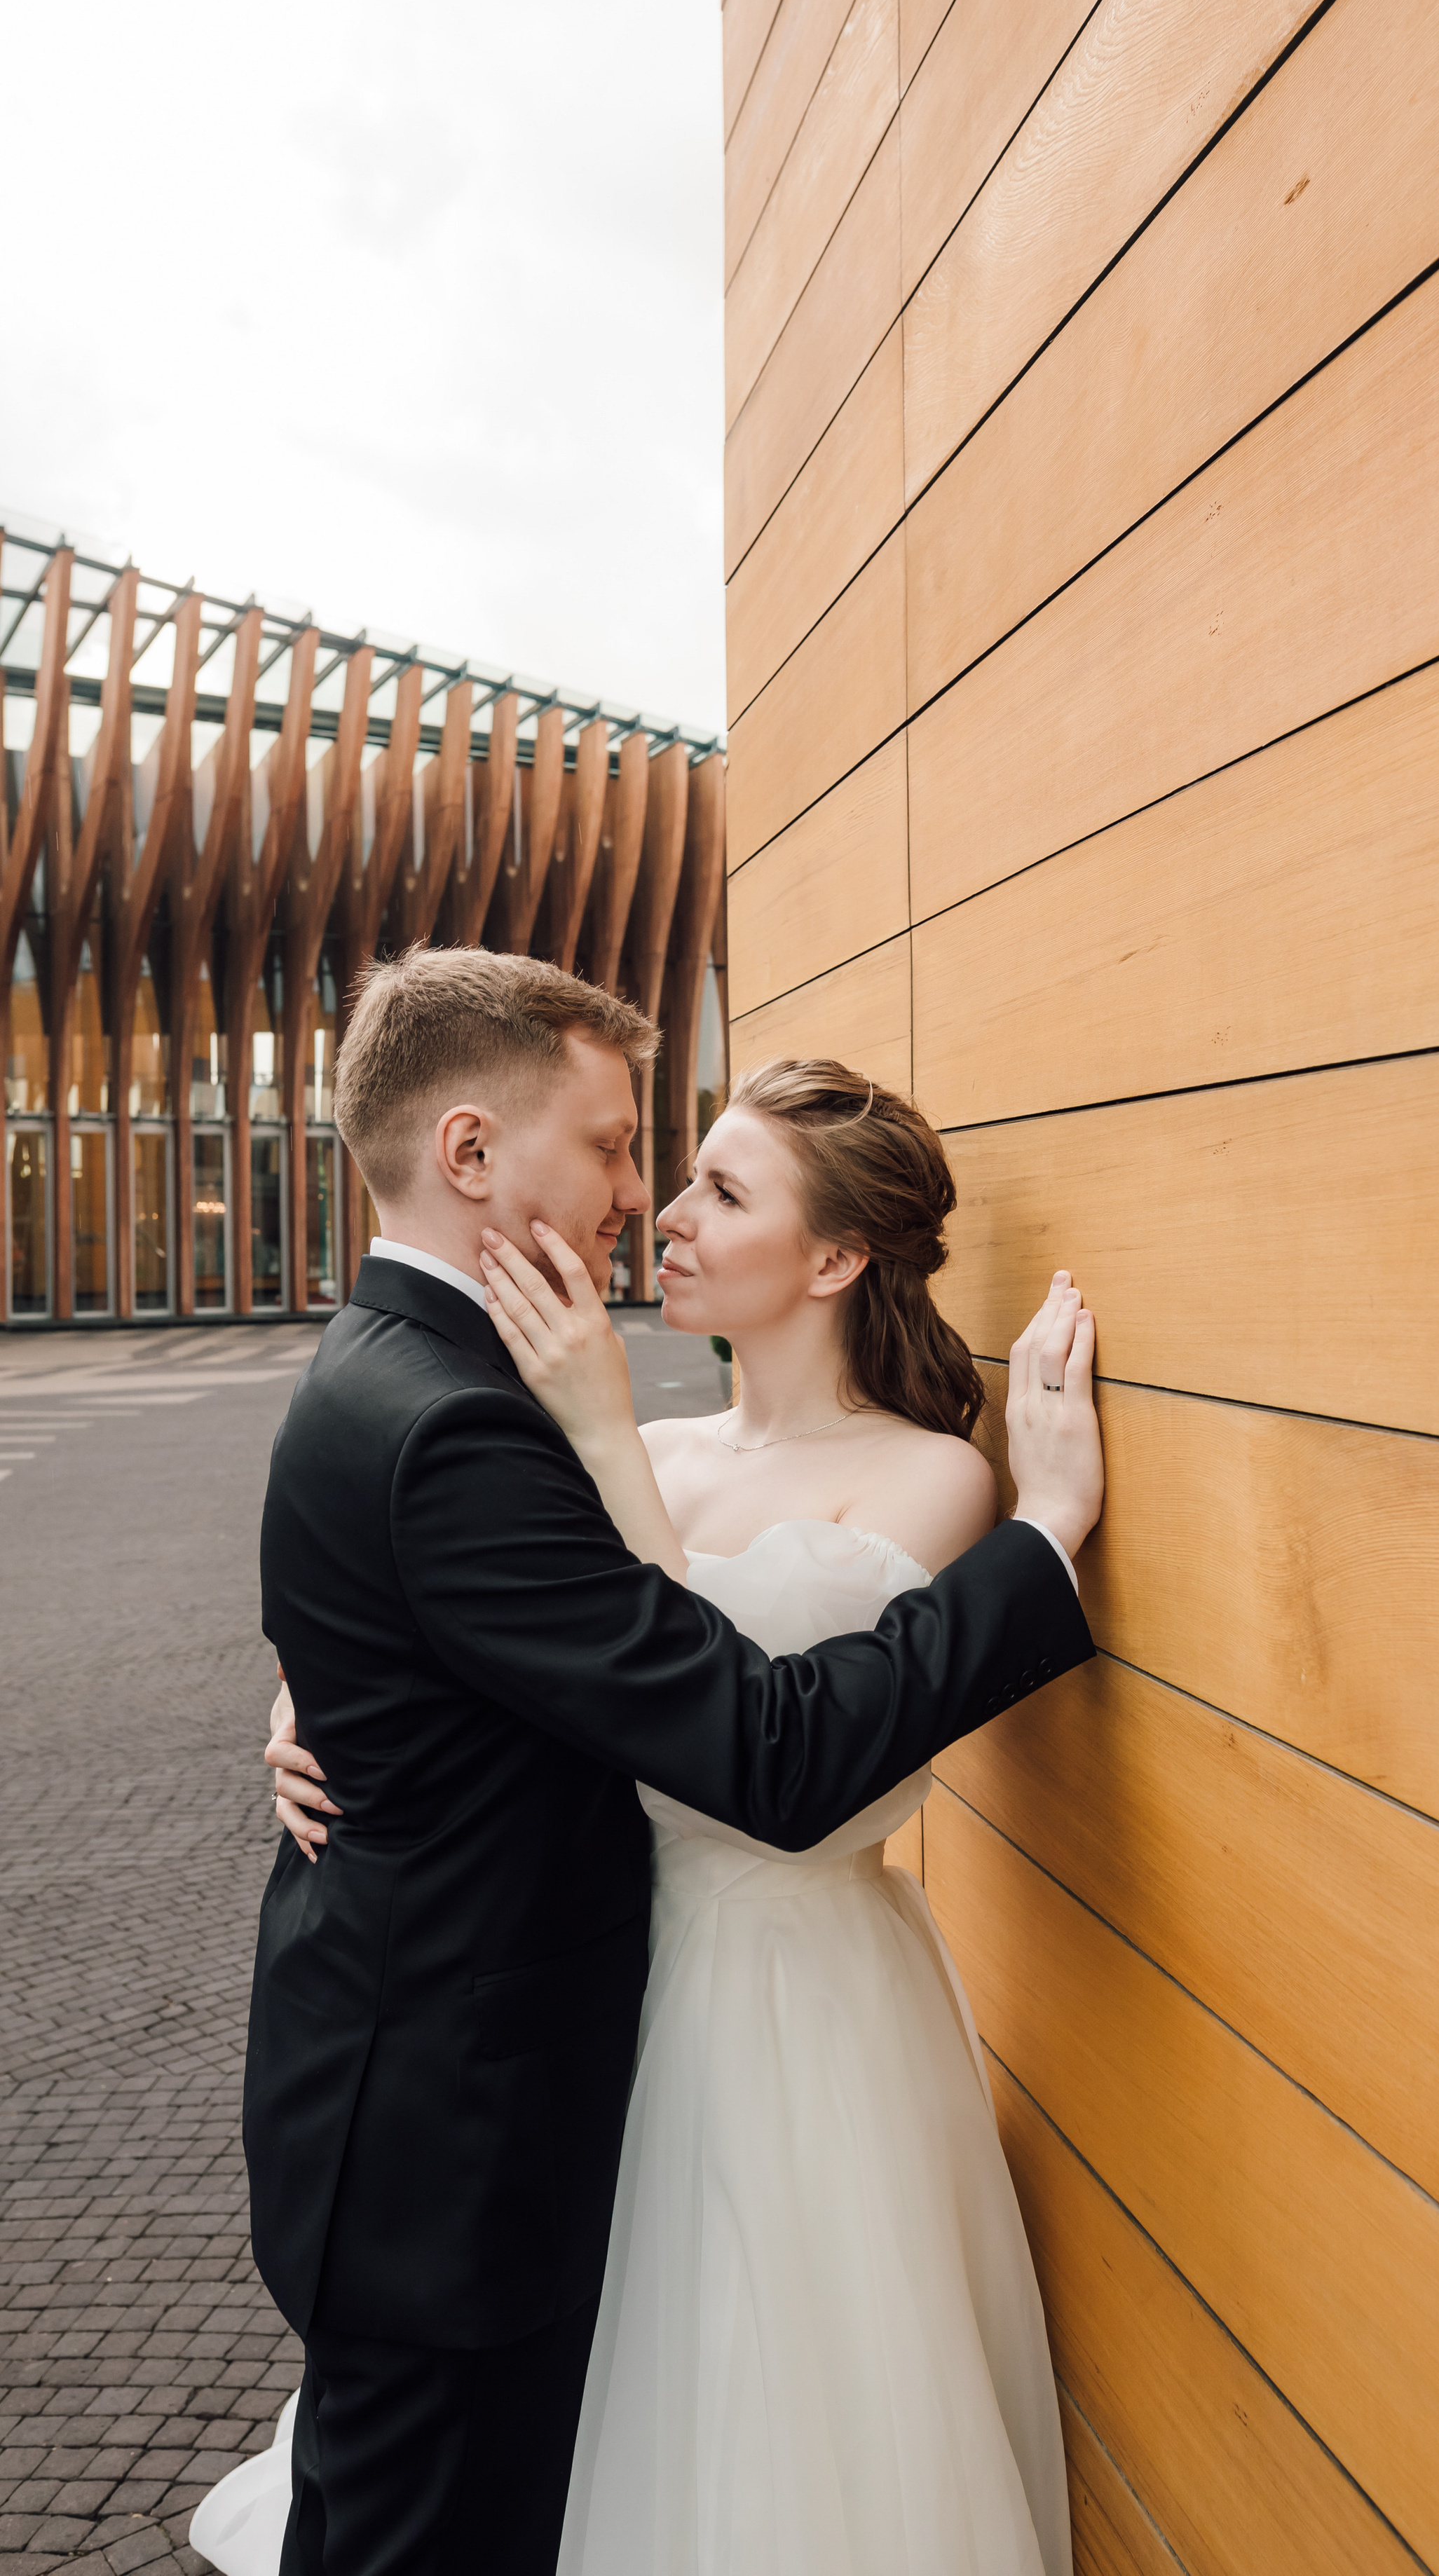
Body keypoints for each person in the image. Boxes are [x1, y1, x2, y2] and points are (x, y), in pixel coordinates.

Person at [194, 950, 1101, 2576]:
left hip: (731, 2023)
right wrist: (319, 1697)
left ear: (832, 1256)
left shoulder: (472, 1393)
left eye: (696, 1177)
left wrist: (354, 1691)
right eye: (626, 1153)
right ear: (470, 1154)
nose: (647, 1201)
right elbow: (734, 1726)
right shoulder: (490, 1421)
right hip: (489, 2101)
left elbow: (692, 1716)